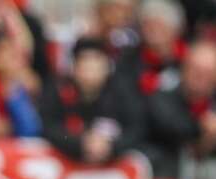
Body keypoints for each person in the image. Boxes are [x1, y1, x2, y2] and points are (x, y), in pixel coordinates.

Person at [40, 35, 145, 165]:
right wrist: (81, 143)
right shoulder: (58, 90)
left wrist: (110, 145)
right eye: (84, 64)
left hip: (115, 165)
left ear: (106, 67)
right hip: (70, 163)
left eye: (96, 64)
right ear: (74, 68)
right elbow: (49, 126)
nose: (90, 72)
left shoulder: (123, 91)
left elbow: (137, 127)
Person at [147, 39, 216, 158]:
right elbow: (171, 130)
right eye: (195, 69)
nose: (200, 77)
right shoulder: (163, 95)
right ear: (184, 69)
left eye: (208, 72)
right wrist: (203, 127)